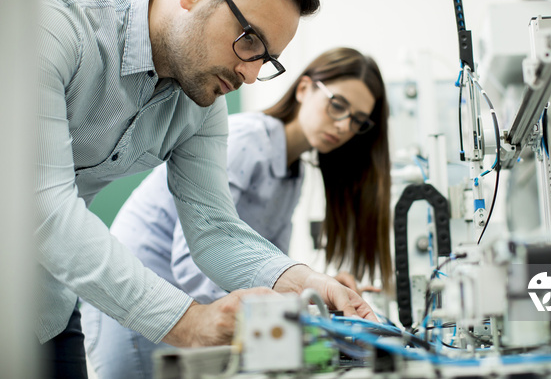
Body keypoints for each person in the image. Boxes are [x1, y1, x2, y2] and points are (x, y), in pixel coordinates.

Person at [35, 0, 376, 378]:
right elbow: (43, 207)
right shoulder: (50, 27)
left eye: (266, 59)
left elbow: (215, 230)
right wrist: (188, 321)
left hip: (47, 309)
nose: (250, 75)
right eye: (249, 39)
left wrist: (305, 281)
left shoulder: (201, 104)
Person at [82, 47, 393, 378]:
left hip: (186, 312)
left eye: (357, 121)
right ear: (304, 89)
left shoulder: (292, 172)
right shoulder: (248, 140)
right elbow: (193, 261)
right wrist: (285, 310)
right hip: (136, 302)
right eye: (338, 105)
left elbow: (265, 265)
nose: (344, 125)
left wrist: (318, 290)